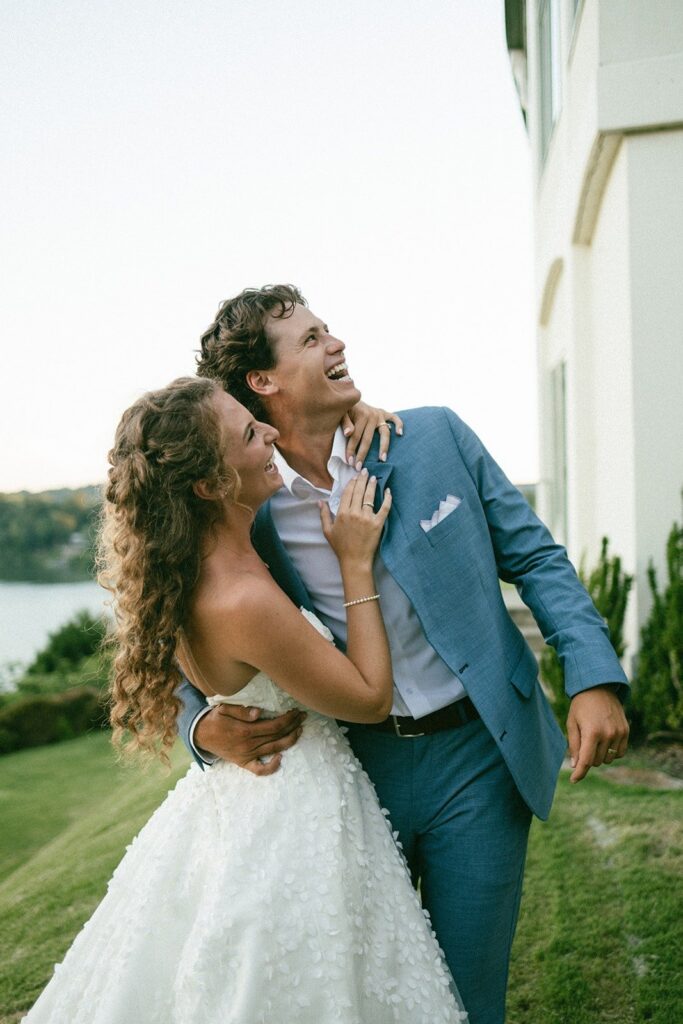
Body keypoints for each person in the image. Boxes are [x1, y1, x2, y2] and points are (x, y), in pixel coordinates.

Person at [177, 284, 631, 1024]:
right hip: (354, 770)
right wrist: (196, 727)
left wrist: (590, 677)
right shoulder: (246, 500)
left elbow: (537, 559)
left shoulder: (433, 437)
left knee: (465, 997)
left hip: (479, 758)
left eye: (330, 330)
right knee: (371, 995)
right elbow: (182, 625)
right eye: (313, 338)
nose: (338, 344)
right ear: (262, 381)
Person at [22, 376, 468, 1024]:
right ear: (208, 485)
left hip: (240, 801)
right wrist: (354, 564)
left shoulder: (181, 574)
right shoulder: (242, 599)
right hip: (294, 812)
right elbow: (369, 698)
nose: (269, 433)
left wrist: (348, 406)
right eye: (249, 433)